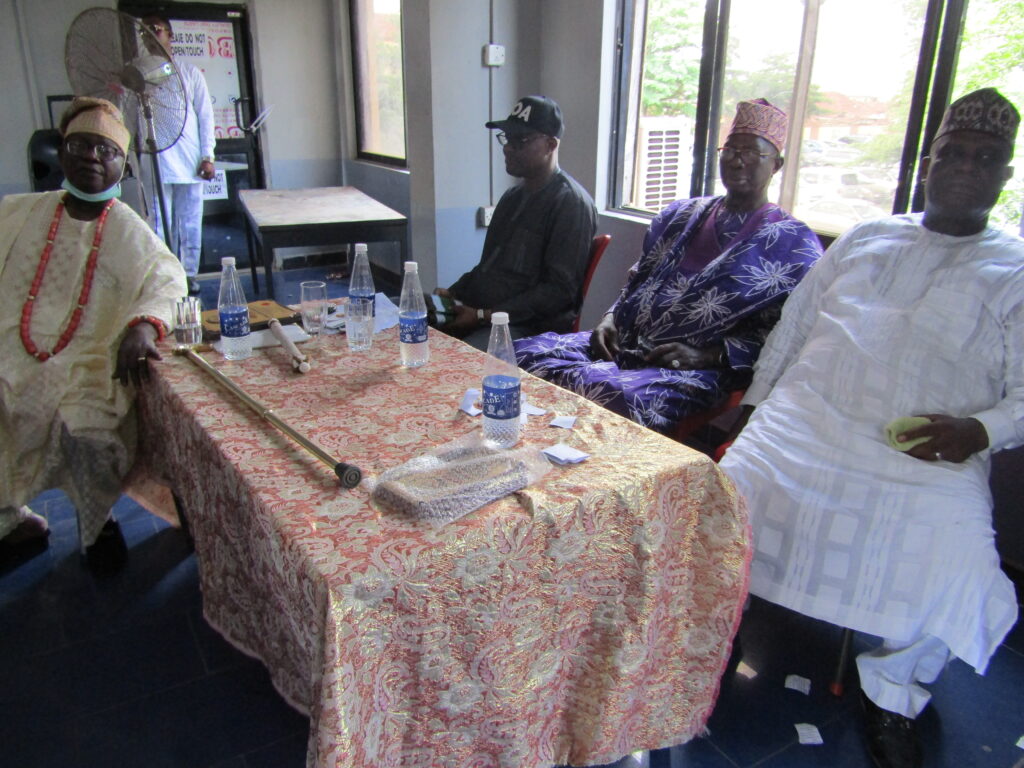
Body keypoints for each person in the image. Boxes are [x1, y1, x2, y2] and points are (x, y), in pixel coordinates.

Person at [719, 88, 1022, 768]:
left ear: (1005, 175)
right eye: (953, 153)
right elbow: (795, 326)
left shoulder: (1017, 269)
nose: (965, 167)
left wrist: (982, 429)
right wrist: (754, 411)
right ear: (927, 164)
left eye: (985, 158)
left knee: (959, 554)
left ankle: (893, 691)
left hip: (923, 449)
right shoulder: (867, 237)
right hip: (804, 423)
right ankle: (715, 625)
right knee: (725, 495)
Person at [514, 99, 823, 433]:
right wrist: (609, 319)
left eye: (751, 152)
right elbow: (636, 280)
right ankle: (529, 446)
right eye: (730, 150)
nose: (737, 160)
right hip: (625, 342)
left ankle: (581, 459)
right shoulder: (680, 215)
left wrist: (707, 356)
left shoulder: (791, 244)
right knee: (518, 354)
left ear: (776, 164)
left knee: (607, 391)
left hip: (690, 367)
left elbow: (783, 337)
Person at [0, 97, 186, 574]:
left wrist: (144, 324)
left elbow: (168, 281)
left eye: (107, 151)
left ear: (123, 165)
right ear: (61, 151)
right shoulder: (18, 213)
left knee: (88, 426)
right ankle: (9, 521)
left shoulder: (129, 228)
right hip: (10, 352)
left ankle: (97, 522)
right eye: (81, 145)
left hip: (88, 359)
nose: (92, 157)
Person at [435, 95, 597, 350]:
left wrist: (483, 316)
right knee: (413, 323)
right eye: (507, 138)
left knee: (464, 355)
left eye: (520, 140)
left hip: (531, 328)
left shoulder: (570, 204)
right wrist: (454, 293)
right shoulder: (512, 197)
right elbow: (488, 268)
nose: (508, 148)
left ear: (550, 144)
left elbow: (558, 293)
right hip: (487, 315)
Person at [142, 13, 217, 296]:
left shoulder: (189, 72)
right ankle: (163, 275)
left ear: (170, 35)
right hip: (155, 160)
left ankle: (188, 274)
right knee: (157, 221)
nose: (150, 35)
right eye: (144, 31)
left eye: (156, 29)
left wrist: (208, 156)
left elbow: (205, 116)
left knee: (190, 220)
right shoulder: (138, 76)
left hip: (190, 159)